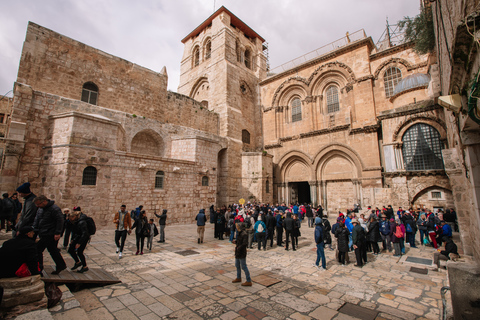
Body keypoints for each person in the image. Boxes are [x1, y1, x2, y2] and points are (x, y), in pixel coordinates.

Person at [33, 195, 67, 274]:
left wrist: (58, 232)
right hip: (43, 231)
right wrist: (34, 228)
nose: (38, 206)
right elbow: (37, 218)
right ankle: (61, 265)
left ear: (44, 201)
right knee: (52, 249)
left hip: (50, 233)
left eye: (39, 204)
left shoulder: (54, 209)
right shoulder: (41, 209)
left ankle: (39, 267)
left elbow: (60, 221)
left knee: (38, 249)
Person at [67, 207, 90, 273]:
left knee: (80, 252)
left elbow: (84, 233)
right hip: (77, 237)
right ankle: (77, 262)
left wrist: (79, 243)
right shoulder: (76, 221)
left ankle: (85, 266)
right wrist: (73, 239)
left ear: (74, 216)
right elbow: (75, 231)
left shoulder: (82, 222)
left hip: (83, 238)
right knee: (71, 250)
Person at [232, 221, 252, 286]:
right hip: (238, 252)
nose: (236, 228)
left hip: (241, 252)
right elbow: (240, 241)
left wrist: (239, 248)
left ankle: (248, 280)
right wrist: (236, 241)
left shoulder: (244, 234)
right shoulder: (240, 233)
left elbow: (244, 243)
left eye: (237, 226)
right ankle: (238, 277)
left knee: (243, 266)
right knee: (237, 265)